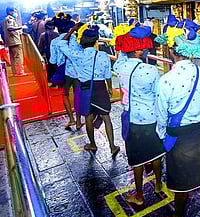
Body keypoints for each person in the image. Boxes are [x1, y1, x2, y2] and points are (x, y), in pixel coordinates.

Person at [154, 18, 200, 217]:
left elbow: (161, 115)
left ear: (173, 52)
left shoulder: (166, 80)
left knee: (181, 179)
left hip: (178, 135)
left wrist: (162, 135)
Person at [113, 25, 164, 206]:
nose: (145, 51)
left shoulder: (119, 67)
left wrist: (126, 41)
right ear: (138, 51)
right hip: (151, 118)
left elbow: (120, 54)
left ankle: (140, 194)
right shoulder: (151, 71)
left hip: (132, 118)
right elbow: (158, 96)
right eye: (142, 48)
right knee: (156, 153)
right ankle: (158, 184)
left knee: (137, 159)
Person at [59, 24, 120, 156]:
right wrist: (109, 88)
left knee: (88, 116)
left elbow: (62, 44)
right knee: (106, 117)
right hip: (100, 88)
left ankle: (92, 144)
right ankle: (112, 146)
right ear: (96, 41)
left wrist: (72, 30)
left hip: (85, 89)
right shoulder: (103, 55)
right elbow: (108, 75)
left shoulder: (76, 55)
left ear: (81, 42)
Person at [50, 14, 83, 130]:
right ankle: (79, 121)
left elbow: (52, 60)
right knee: (77, 95)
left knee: (65, 94)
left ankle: (71, 119)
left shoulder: (54, 41)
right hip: (76, 71)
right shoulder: (76, 39)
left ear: (57, 28)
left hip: (62, 71)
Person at [2, 7, 27, 76]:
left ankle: (15, 72)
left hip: (9, 41)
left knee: (12, 57)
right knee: (18, 56)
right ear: (10, 12)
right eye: (14, 11)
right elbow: (10, 28)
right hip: (14, 40)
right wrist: (21, 27)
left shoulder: (4, 20)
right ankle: (20, 72)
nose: (16, 13)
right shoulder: (9, 19)